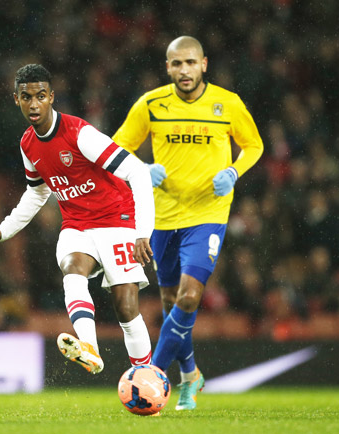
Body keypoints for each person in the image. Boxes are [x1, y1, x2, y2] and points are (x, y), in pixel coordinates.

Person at [0, 64, 156, 377]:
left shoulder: (80, 134)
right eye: (26, 97)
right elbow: (36, 193)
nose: (34, 104)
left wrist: (142, 232)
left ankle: (146, 376)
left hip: (117, 218)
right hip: (77, 225)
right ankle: (90, 348)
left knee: (125, 308)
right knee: (72, 266)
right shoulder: (28, 144)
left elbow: (137, 171)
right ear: (16, 99)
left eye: (41, 96)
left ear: (52, 97)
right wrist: (3, 230)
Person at [112, 36, 264, 410]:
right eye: (177, 63)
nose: (184, 70)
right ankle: (191, 375)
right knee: (170, 302)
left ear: (204, 65)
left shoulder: (228, 104)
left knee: (190, 296)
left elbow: (255, 145)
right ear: (168, 67)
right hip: (162, 215)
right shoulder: (151, 104)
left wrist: (233, 171)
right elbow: (116, 147)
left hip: (208, 214)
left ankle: (152, 375)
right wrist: (142, 169)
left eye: (191, 63)